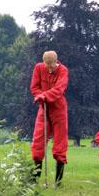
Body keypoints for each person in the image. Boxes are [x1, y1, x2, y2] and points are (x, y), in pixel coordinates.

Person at [30, 50, 69, 187]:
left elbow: (59, 89)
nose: (49, 68)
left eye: (52, 65)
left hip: (58, 109)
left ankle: (58, 182)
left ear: (56, 61)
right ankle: (34, 179)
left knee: (60, 145)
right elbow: (34, 87)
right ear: (44, 62)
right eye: (47, 65)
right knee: (38, 142)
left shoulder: (63, 71)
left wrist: (44, 95)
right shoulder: (38, 68)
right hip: (43, 109)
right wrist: (40, 96)